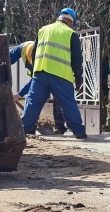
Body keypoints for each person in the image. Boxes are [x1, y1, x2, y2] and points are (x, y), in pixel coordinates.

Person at [21, 8, 87, 139]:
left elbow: (33, 53)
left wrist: (35, 71)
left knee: (33, 103)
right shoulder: (71, 34)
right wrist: (78, 78)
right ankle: (79, 131)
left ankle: (21, 130)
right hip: (61, 75)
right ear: (71, 22)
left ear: (59, 18)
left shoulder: (43, 30)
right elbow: (77, 59)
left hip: (40, 73)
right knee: (68, 103)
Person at [9, 40, 68, 134]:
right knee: (33, 99)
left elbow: (35, 81)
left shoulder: (44, 58)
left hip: (55, 75)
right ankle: (30, 126)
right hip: (41, 76)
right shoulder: (23, 48)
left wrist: (19, 94)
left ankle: (59, 127)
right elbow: (7, 59)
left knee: (58, 97)